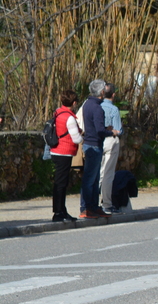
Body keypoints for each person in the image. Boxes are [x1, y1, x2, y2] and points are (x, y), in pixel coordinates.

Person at [78, 79, 112, 218]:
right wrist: (111, 132)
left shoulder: (87, 104)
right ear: (102, 91)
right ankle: (86, 207)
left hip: (89, 143)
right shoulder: (97, 107)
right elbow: (99, 130)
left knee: (93, 177)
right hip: (94, 144)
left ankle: (93, 206)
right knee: (90, 178)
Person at [49, 91, 82, 222]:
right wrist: (81, 134)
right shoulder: (69, 118)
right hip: (65, 152)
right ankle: (59, 212)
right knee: (61, 183)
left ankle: (61, 210)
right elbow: (76, 139)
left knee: (60, 182)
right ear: (74, 103)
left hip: (56, 150)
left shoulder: (58, 112)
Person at [99, 83, 123, 214]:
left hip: (97, 140)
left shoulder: (97, 106)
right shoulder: (113, 109)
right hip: (110, 140)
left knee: (97, 172)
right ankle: (106, 203)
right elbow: (118, 130)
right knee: (107, 173)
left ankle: (91, 202)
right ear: (113, 95)